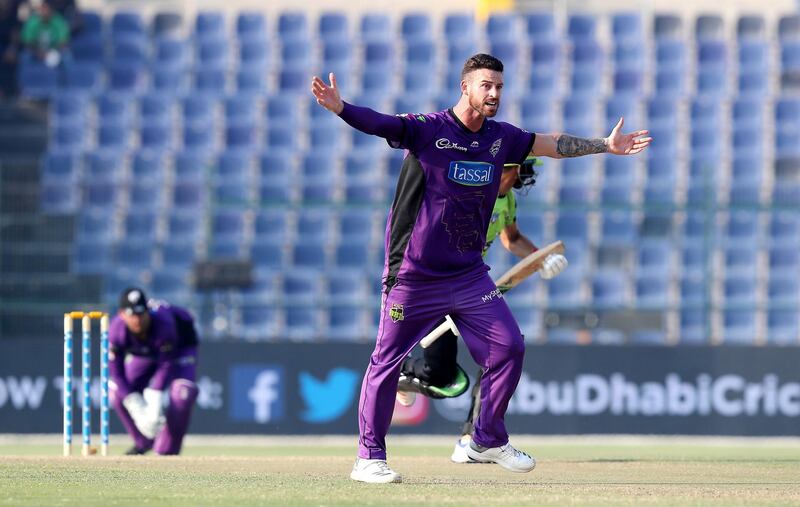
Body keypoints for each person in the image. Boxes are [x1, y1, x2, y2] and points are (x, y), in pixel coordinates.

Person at [311, 53, 651, 484]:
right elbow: (382, 123)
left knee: (509, 347)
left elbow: (551, 143)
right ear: (465, 87)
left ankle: (485, 439)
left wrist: (604, 145)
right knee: (387, 361)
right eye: (486, 85)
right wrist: (342, 109)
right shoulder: (429, 129)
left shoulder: (502, 139)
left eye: (500, 87)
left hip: (468, 275)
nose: (494, 94)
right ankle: (369, 458)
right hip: (413, 274)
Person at [393, 156, 568, 464]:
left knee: (498, 350)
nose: (525, 177)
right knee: (444, 380)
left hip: (471, 285)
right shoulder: (468, 193)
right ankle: (403, 373)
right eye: (522, 169)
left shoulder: (508, 200)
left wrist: (541, 259)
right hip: (436, 282)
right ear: (507, 168)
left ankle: (473, 438)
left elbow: (511, 239)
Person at [108, 287, 200, 455]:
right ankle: (143, 442)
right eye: (131, 315)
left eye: (141, 314)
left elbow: (166, 364)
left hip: (180, 347)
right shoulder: (116, 330)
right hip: (144, 353)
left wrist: (154, 395)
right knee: (116, 391)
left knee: (182, 394)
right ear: (122, 314)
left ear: (148, 311)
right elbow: (116, 371)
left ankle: (167, 451)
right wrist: (134, 402)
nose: (137, 320)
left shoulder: (164, 325)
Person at [20, 0, 69, 67]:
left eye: (47, 9)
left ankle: (67, 77)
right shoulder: (32, 22)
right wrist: (38, 53)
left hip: (54, 51)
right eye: (42, 9)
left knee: (67, 57)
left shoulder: (59, 21)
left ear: (52, 10)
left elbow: (63, 42)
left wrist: (52, 53)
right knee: (25, 56)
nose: (44, 12)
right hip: (36, 51)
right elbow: (27, 43)